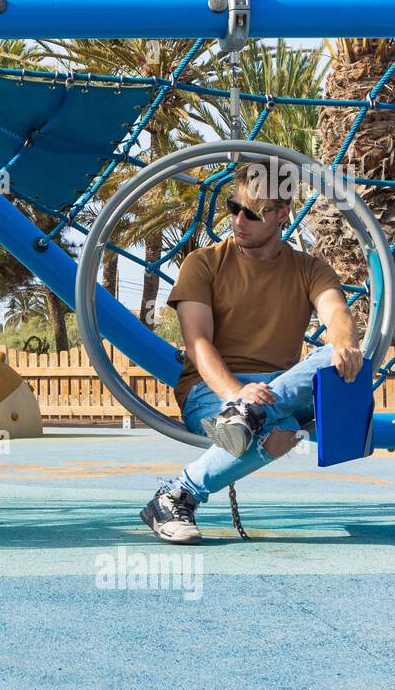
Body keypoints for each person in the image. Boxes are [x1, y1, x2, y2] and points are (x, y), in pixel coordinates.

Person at [139, 163, 365, 544]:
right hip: (211, 392)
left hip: (275, 390)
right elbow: (198, 342)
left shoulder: (309, 269)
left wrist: (345, 345)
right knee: (283, 432)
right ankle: (221, 445)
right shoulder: (203, 263)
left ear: (282, 214)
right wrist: (235, 395)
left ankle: (176, 495)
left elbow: (337, 314)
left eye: (253, 213)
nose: (238, 221)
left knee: (332, 357)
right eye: (234, 208)